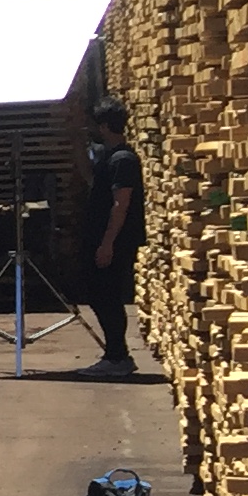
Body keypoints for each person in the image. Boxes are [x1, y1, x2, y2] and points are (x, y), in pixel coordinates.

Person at [77, 96, 144, 378]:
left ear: (104, 126)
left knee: (109, 296)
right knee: (98, 294)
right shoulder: (109, 158)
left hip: (116, 241)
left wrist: (107, 243)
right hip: (104, 239)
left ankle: (118, 357)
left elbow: (121, 203)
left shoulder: (123, 160)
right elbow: (92, 181)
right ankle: (114, 353)